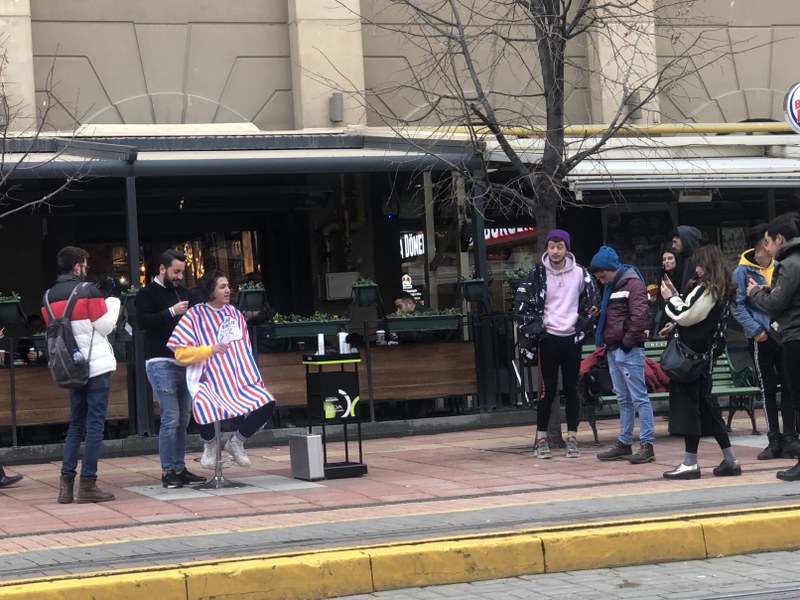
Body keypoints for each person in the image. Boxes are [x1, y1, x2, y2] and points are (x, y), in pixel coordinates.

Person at [168, 270, 277, 469]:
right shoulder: (195, 315)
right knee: (204, 404)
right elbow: (180, 353)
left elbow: (244, 350)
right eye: (223, 287)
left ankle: (237, 441)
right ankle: (210, 444)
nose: (228, 290)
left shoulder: (234, 314)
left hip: (236, 378)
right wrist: (211, 349)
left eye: (228, 286)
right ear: (211, 291)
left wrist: (251, 377)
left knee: (266, 402)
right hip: (206, 378)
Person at [42, 246, 120, 504]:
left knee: (76, 424)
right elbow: (105, 326)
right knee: (94, 425)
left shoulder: (48, 297)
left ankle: (65, 487)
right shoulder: (88, 291)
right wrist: (113, 301)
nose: (86, 268)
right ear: (77, 266)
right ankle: (88, 485)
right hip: (95, 367)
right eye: (85, 264)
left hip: (70, 367)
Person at [514, 229, 598, 459]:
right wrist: (540, 332)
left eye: (559, 246)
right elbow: (523, 306)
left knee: (571, 389)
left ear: (567, 248)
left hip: (572, 337)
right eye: (551, 246)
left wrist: (587, 316)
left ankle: (572, 437)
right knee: (547, 390)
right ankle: (541, 439)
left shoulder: (581, 273)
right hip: (548, 337)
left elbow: (591, 301)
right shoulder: (537, 274)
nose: (555, 251)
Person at [661, 244, 741, 480]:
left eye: (699, 263)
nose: (696, 267)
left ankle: (690, 463)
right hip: (704, 359)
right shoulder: (723, 290)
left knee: (690, 410)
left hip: (690, 360)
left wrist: (670, 298)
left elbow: (687, 316)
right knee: (708, 409)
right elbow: (700, 319)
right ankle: (730, 459)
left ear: (707, 264)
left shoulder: (707, 290)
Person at [134, 249, 208, 489]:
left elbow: (202, 309)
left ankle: (179, 467)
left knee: (183, 419)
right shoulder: (146, 293)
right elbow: (141, 321)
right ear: (162, 269)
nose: (179, 277)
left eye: (182, 272)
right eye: (176, 271)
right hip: (160, 361)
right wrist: (171, 312)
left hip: (184, 362)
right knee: (171, 418)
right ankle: (168, 471)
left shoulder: (182, 292)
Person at [731, 224, 795, 460]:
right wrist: (757, 332)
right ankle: (773, 438)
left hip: (783, 334)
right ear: (762, 247)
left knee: (789, 387)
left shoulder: (780, 266)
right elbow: (736, 305)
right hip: (762, 337)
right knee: (767, 389)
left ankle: (790, 437)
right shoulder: (742, 272)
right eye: (767, 243)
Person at [588, 246, 655, 464]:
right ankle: (625, 442)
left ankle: (647, 444)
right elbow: (624, 316)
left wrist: (626, 345)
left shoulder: (633, 284)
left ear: (611, 269)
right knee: (624, 398)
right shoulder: (614, 286)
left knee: (638, 398)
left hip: (626, 349)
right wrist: (600, 315)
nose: (600, 280)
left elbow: (639, 317)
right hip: (615, 348)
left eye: (602, 275)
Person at [747, 213, 800, 481]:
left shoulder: (790, 263)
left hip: (794, 337)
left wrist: (756, 292)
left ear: (780, 239)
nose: (767, 247)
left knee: (797, 397)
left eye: (769, 241)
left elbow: (778, 303)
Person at [649, 249, 681, 340]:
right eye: (664, 259)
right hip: (665, 322)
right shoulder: (662, 279)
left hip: (679, 323)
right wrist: (649, 327)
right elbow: (656, 305)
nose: (666, 261)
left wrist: (674, 323)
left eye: (670, 258)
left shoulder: (683, 279)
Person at [672, 226, 703, 294]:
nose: (673, 246)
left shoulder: (700, 260)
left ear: (685, 240)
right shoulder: (684, 260)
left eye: (675, 242)